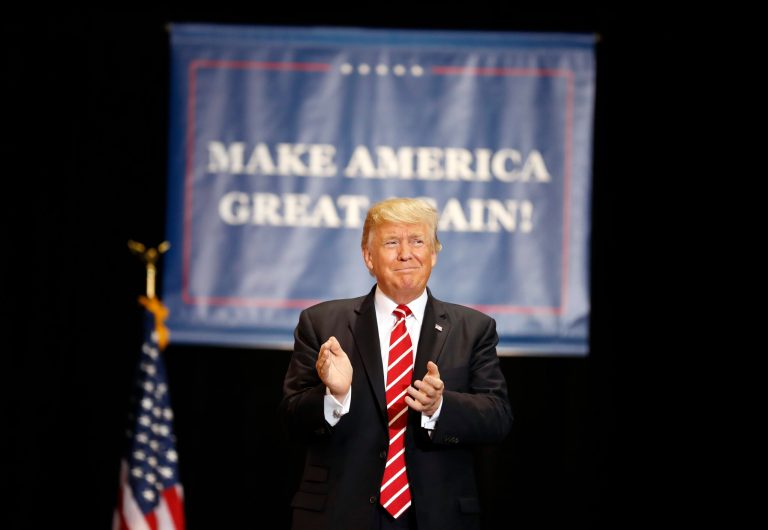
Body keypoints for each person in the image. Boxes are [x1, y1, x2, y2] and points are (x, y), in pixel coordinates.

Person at [279, 197, 513, 530]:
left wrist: (439, 407)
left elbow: (498, 418)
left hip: (437, 515)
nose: (406, 253)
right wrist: (335, 396)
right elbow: (291, 420)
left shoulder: (474, 328)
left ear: (433, 253)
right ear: (368, 257)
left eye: (417, 241)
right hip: (339, 514)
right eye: (391, 242)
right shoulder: (321, 324)